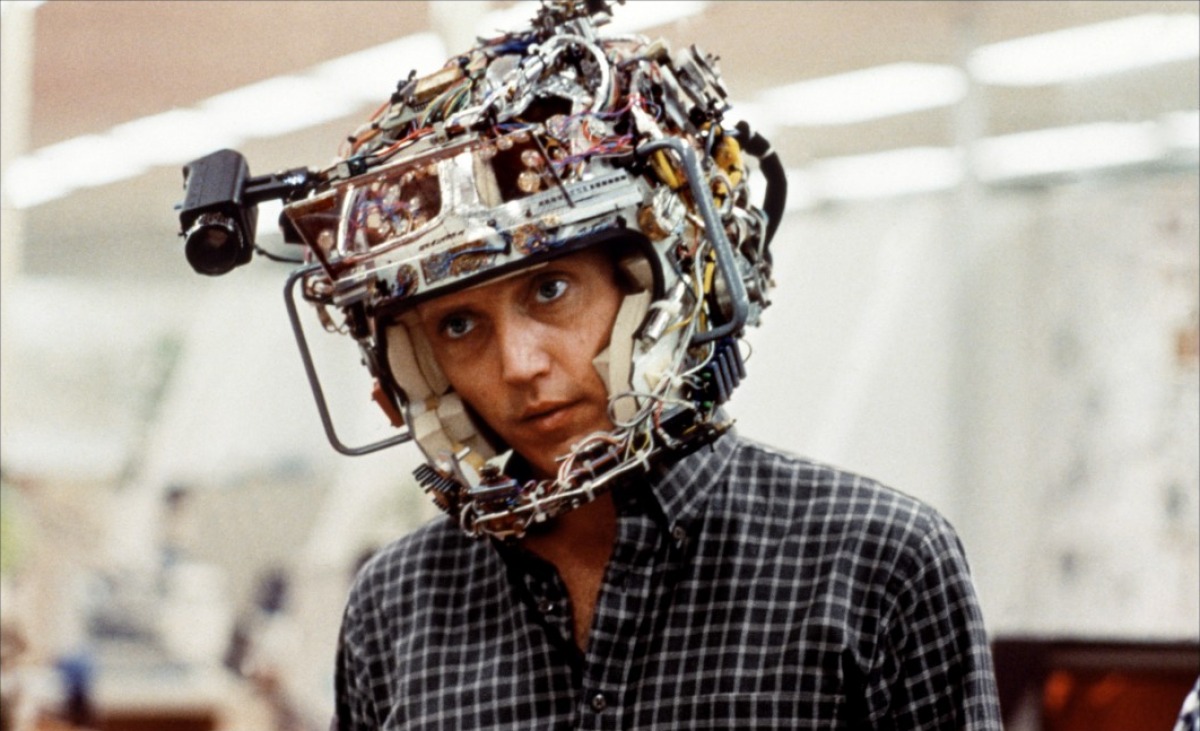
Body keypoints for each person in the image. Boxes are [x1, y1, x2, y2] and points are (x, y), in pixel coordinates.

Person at [181, 2, 1002, 727]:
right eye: (460, 324)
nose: (518, 364)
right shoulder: (395, 605)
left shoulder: (878, 562)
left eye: (550, 289)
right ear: (418, 369)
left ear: (649, 284)